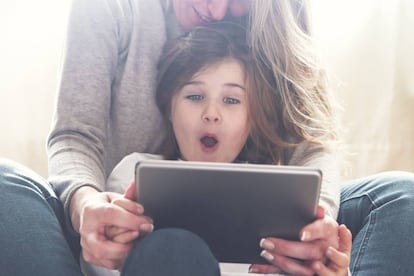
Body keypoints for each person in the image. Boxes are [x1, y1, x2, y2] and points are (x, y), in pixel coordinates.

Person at [0, 0, 413, 275]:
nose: (217, 11)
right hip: (107, 228)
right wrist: (86, 206)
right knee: (6, 185)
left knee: (401, 199)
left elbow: (312, 140)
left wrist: (315, 224)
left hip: (256, 237)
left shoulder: (281, 11)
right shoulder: (110, 9)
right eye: (194, 95)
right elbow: (76, 136)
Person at [99, 21, 352, 276]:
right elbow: (99, 262)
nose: (211, 114)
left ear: (251, 119)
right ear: (169, 109)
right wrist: (117, 243)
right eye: (195, 97)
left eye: (231, 100)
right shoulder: (133, 174)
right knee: (172, 248)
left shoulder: (280, 197)